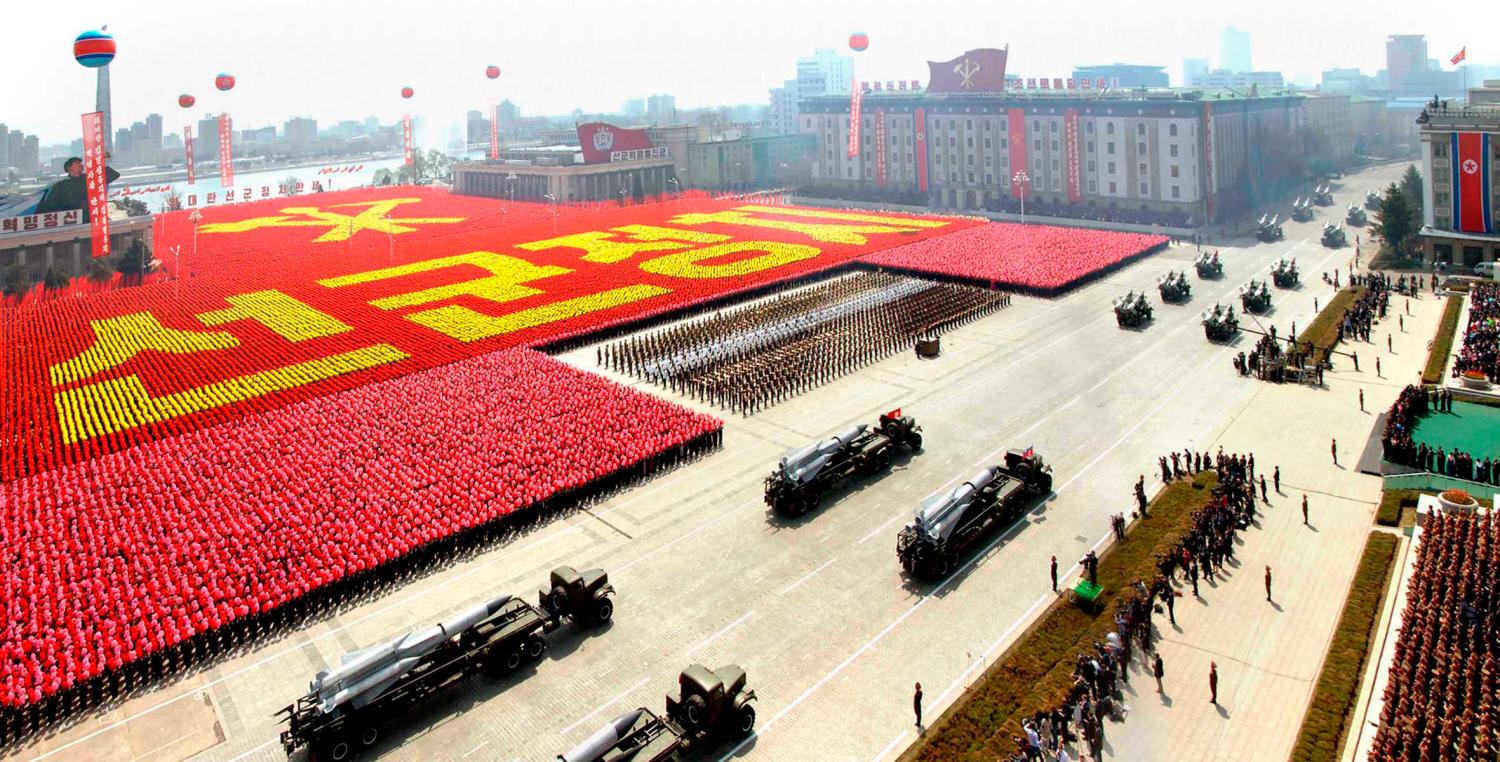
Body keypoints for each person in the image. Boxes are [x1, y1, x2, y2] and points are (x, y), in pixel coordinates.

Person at [34, 154, 121, 222]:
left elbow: (113, 175)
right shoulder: (61, 185)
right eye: (77, 163)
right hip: (71, 220)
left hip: (90, 218)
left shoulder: (90, 179)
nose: (81, 165)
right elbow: (50, 206)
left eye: (80, 163)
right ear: (69, 168)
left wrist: (100, 162)